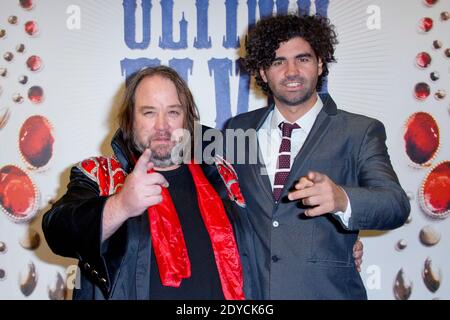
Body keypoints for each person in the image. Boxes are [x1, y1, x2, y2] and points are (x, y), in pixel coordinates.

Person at [224, 13, 410, 299]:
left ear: (320, 63)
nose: (292, 71)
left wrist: (342, 199)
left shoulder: (360, 131)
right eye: (277, 62)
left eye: (303, 58)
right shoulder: (239, 129)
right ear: (262, 72)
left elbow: (395, 204)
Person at [42, 66, 258, 300]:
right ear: (130, 120)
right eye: (149, 112)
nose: (162, 125)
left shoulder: (222, 177)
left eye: (173, 112)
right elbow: (57, 232)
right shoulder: (102, 175)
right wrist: (121, 205)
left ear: (187, 120)